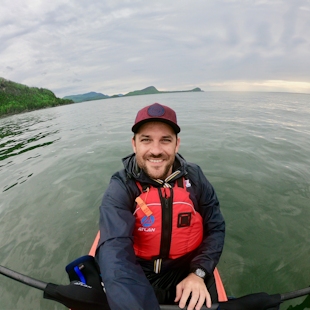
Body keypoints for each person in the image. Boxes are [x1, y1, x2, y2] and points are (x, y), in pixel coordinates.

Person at [96, 103, 225, 310]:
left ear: (177, 144)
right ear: (134, 144)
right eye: (146, 140)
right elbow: (114, 249)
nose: (156, 151)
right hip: (138, 272)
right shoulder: (121, 185)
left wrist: (199, 272)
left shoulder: (196, 177)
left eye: (165, 140)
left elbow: (216, 227)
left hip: (189, 270)